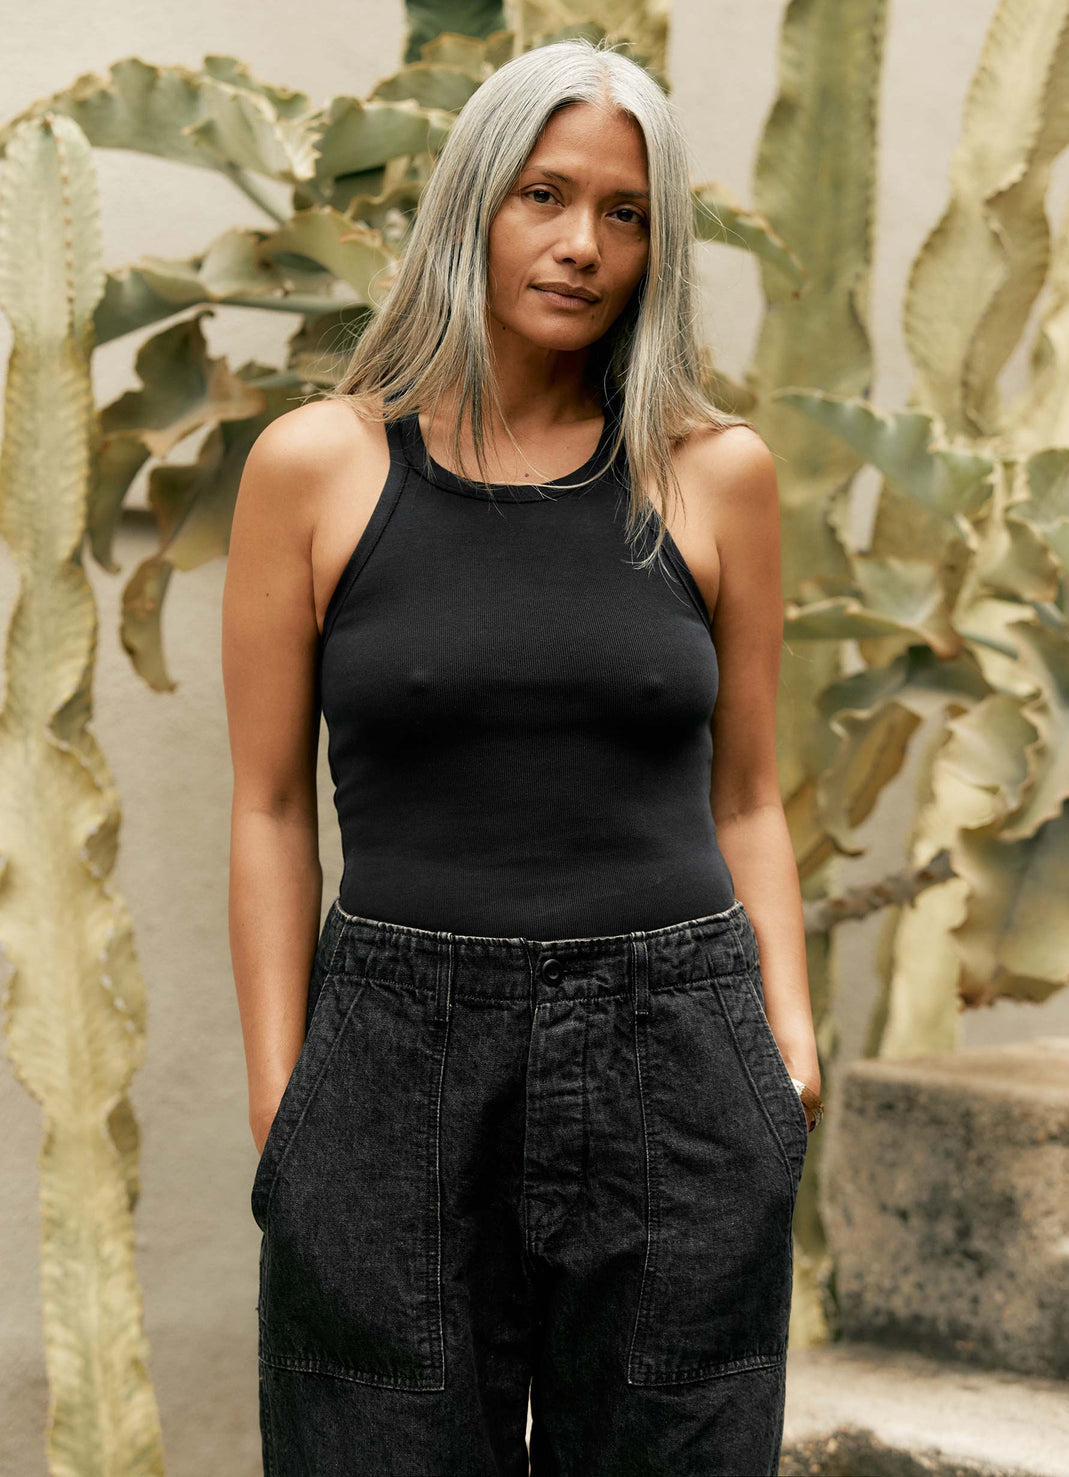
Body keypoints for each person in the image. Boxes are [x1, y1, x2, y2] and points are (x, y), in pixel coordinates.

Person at [222, 34, 821, 1477]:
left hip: (679, 1054)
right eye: (545, 194)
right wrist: (284, 1103)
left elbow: (747, 792)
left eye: (626, 213)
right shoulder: (318, 466)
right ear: (473, 203)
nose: (582, 244)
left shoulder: (713, 473)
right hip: (390, 1063)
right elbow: (263, 809)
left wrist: (788, 1052)